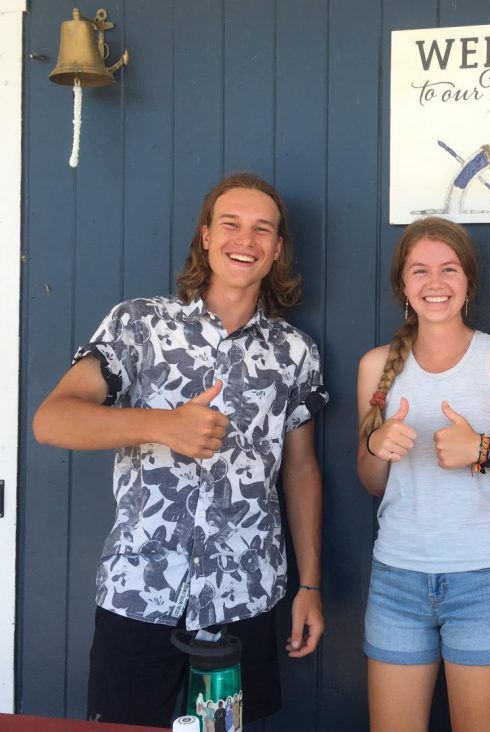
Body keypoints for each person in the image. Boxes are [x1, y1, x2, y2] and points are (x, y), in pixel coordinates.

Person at [32, 173, 328, 727]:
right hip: (141, 589)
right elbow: (53, 420)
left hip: (246, 593)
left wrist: (309, 585)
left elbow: (302, 470)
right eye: (232, 224)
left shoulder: (295, 352)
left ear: (277, 249)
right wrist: (164, 426)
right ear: (206, 236)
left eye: (263, 229)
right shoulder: (139, 324)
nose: (247, 239)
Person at [356, 216, 490, 732]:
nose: (435, 283)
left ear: (468, 280)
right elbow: (371, 483)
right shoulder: (377, 365)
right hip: (396, 582)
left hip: (483, 582)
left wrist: (485, 451)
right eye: (419, 271)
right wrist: (377, 448)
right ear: (402, 285)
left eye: (449, 269)